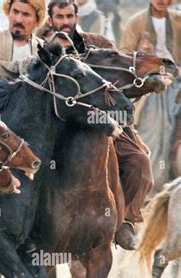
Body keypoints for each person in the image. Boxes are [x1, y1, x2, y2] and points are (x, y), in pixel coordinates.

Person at [42, 0, 155, 250]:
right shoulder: (40, 46)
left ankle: (125, 219)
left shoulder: (99, 44)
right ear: (50, 20)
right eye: (59, 17)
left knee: (141, 163)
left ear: (76, 17)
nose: (65, 22)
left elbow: (122, 74)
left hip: (104, 121)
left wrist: (147, 81)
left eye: (69, 16)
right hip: (60, 123)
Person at [119, 0, 180, 192]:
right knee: (151, 135)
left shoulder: (178, 21)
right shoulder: (136, 23)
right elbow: (124, 55)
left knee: (172, 136)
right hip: (150, 88)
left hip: (176, 84)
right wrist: (143, 57)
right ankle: (149, 190)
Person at [0, 0, 46, 81]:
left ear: (37, 20)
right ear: (8, 12)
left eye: (26, 14)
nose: (18, 20)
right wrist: (19, 67)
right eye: (15, 12)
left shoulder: (43, 47)